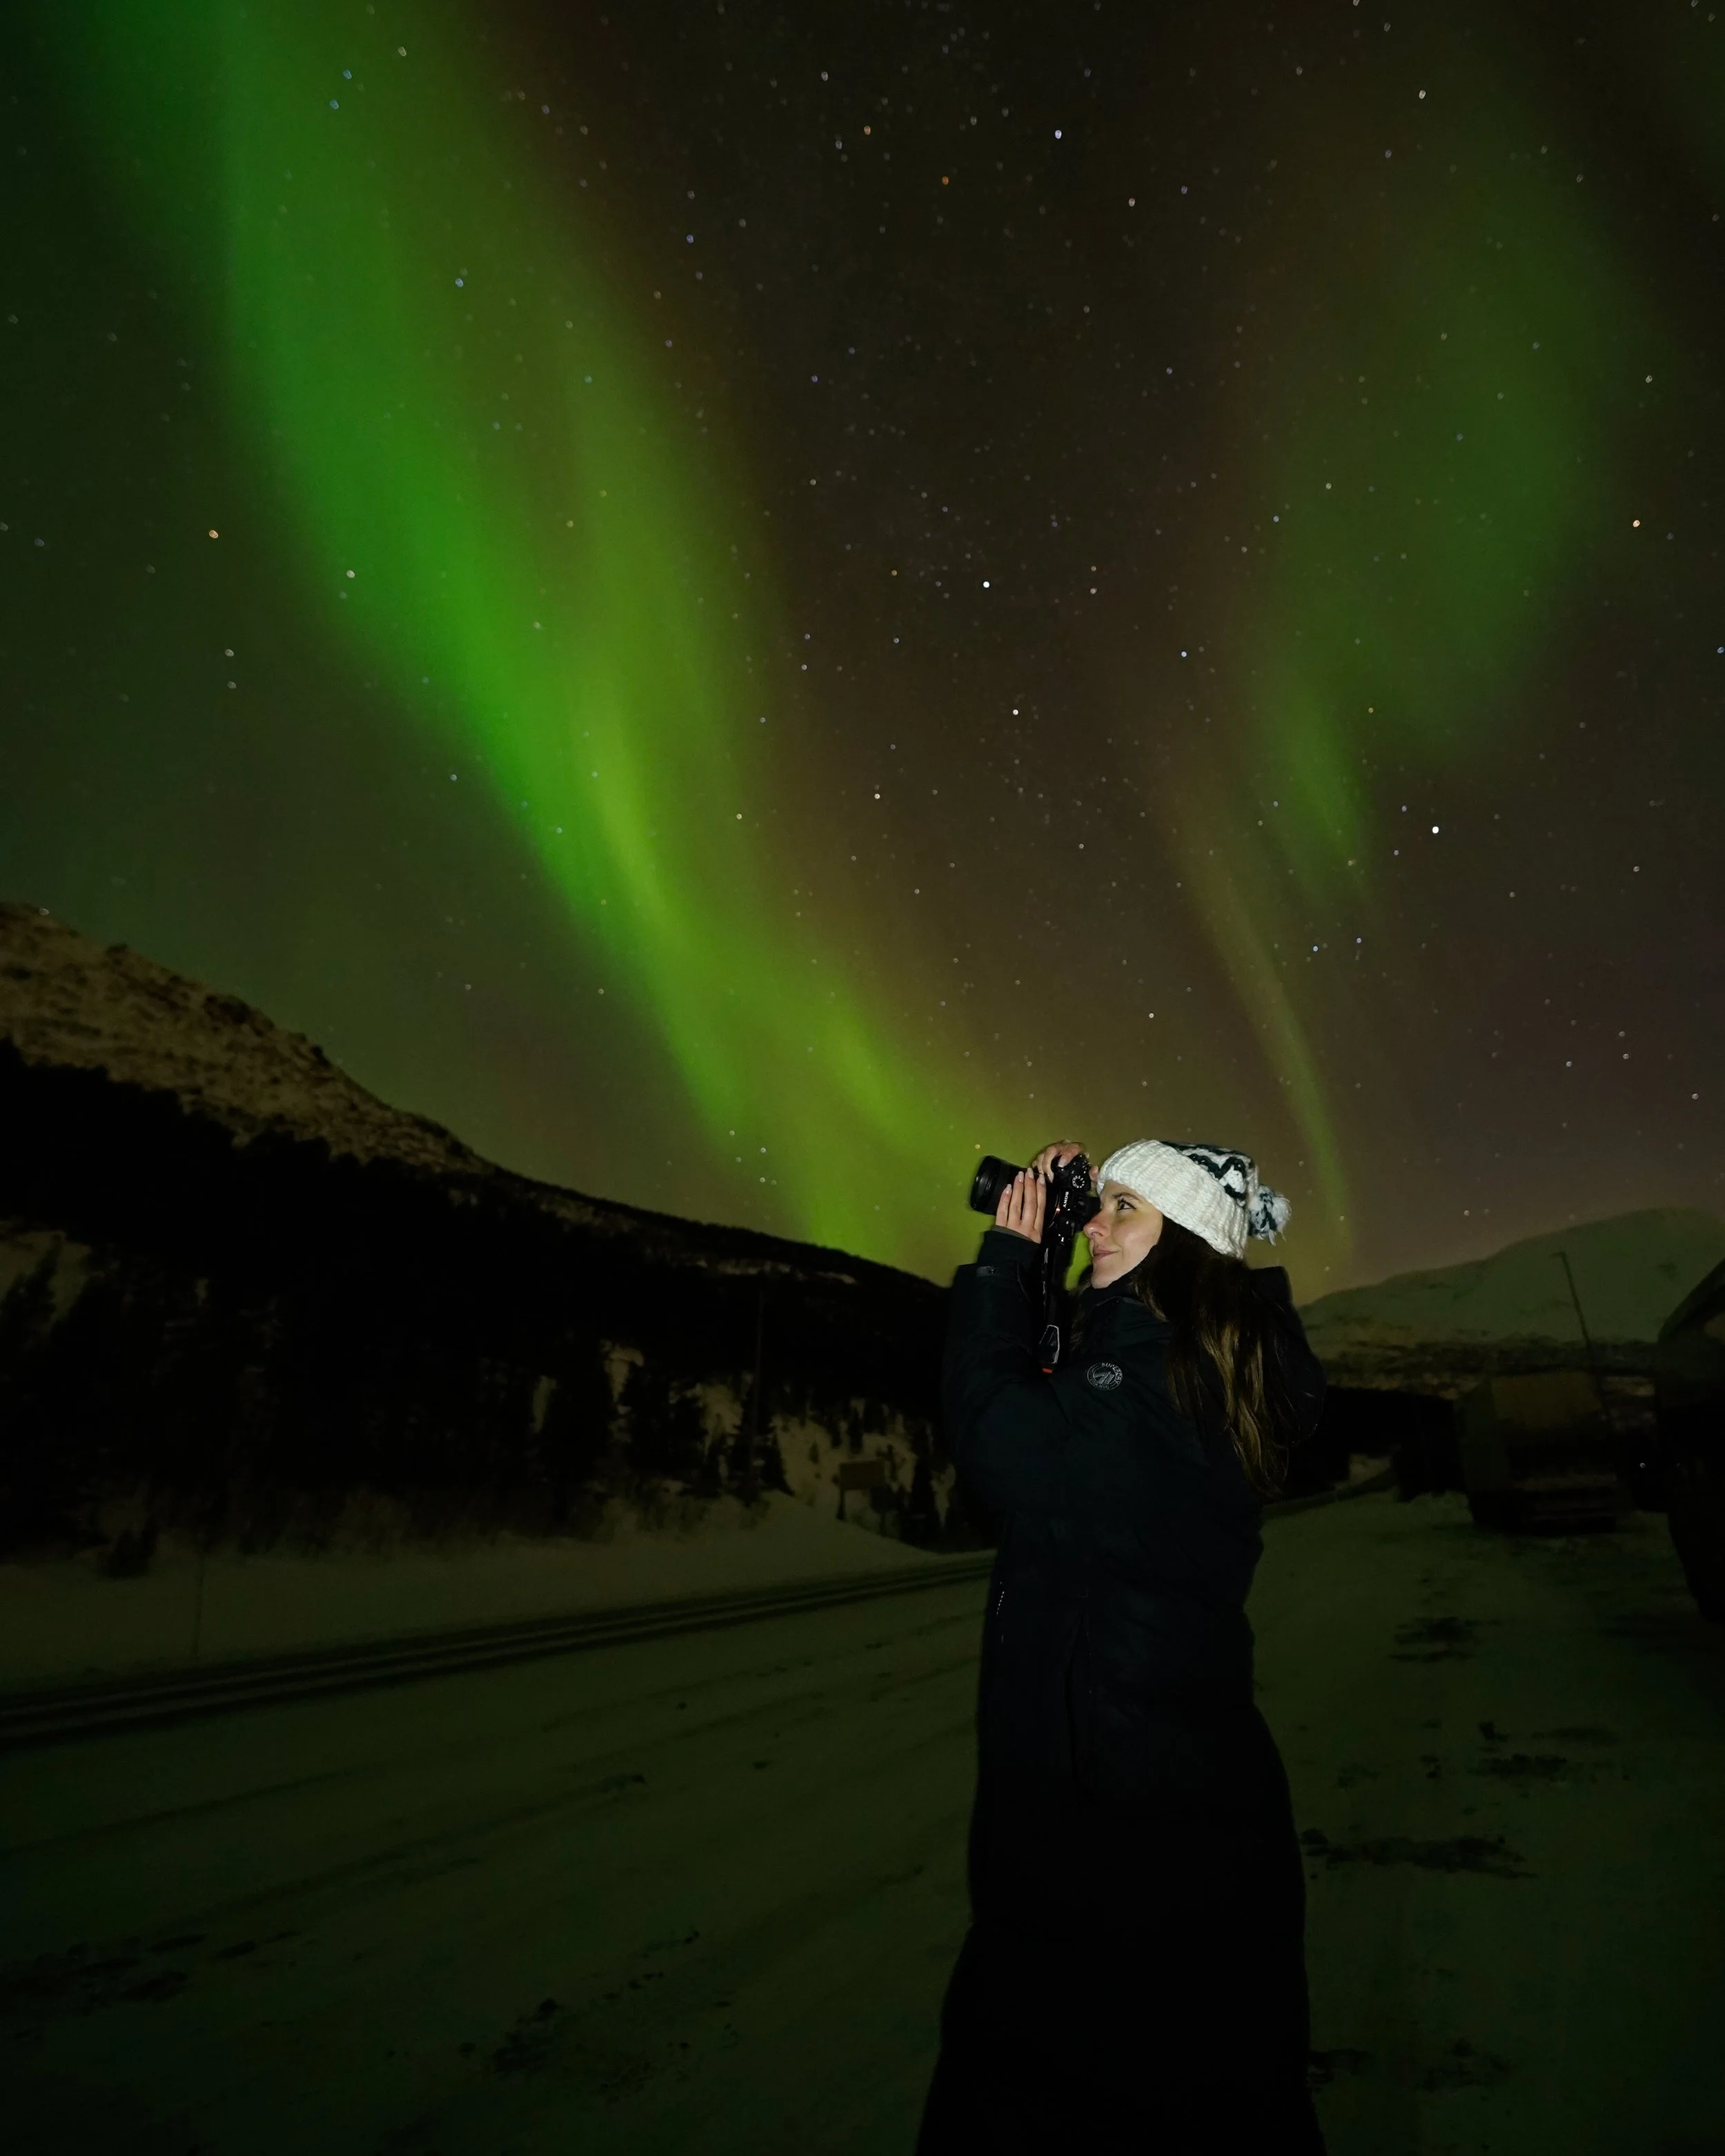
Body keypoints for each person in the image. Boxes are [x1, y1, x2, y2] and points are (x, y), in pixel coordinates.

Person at [914, 1137, 1328, 2155]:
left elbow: (1001, 1435)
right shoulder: (1179, 1358)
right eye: (1098, 1203)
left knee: (1106, 2091)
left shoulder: (1157, 1383)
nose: (1097, 1224)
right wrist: (1056, 1272)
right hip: (1138, 1801)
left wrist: (1008, 1265)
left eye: (1124, 1209)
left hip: (1126, 1830)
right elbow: (1061, 1399)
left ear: (1185, 1242)